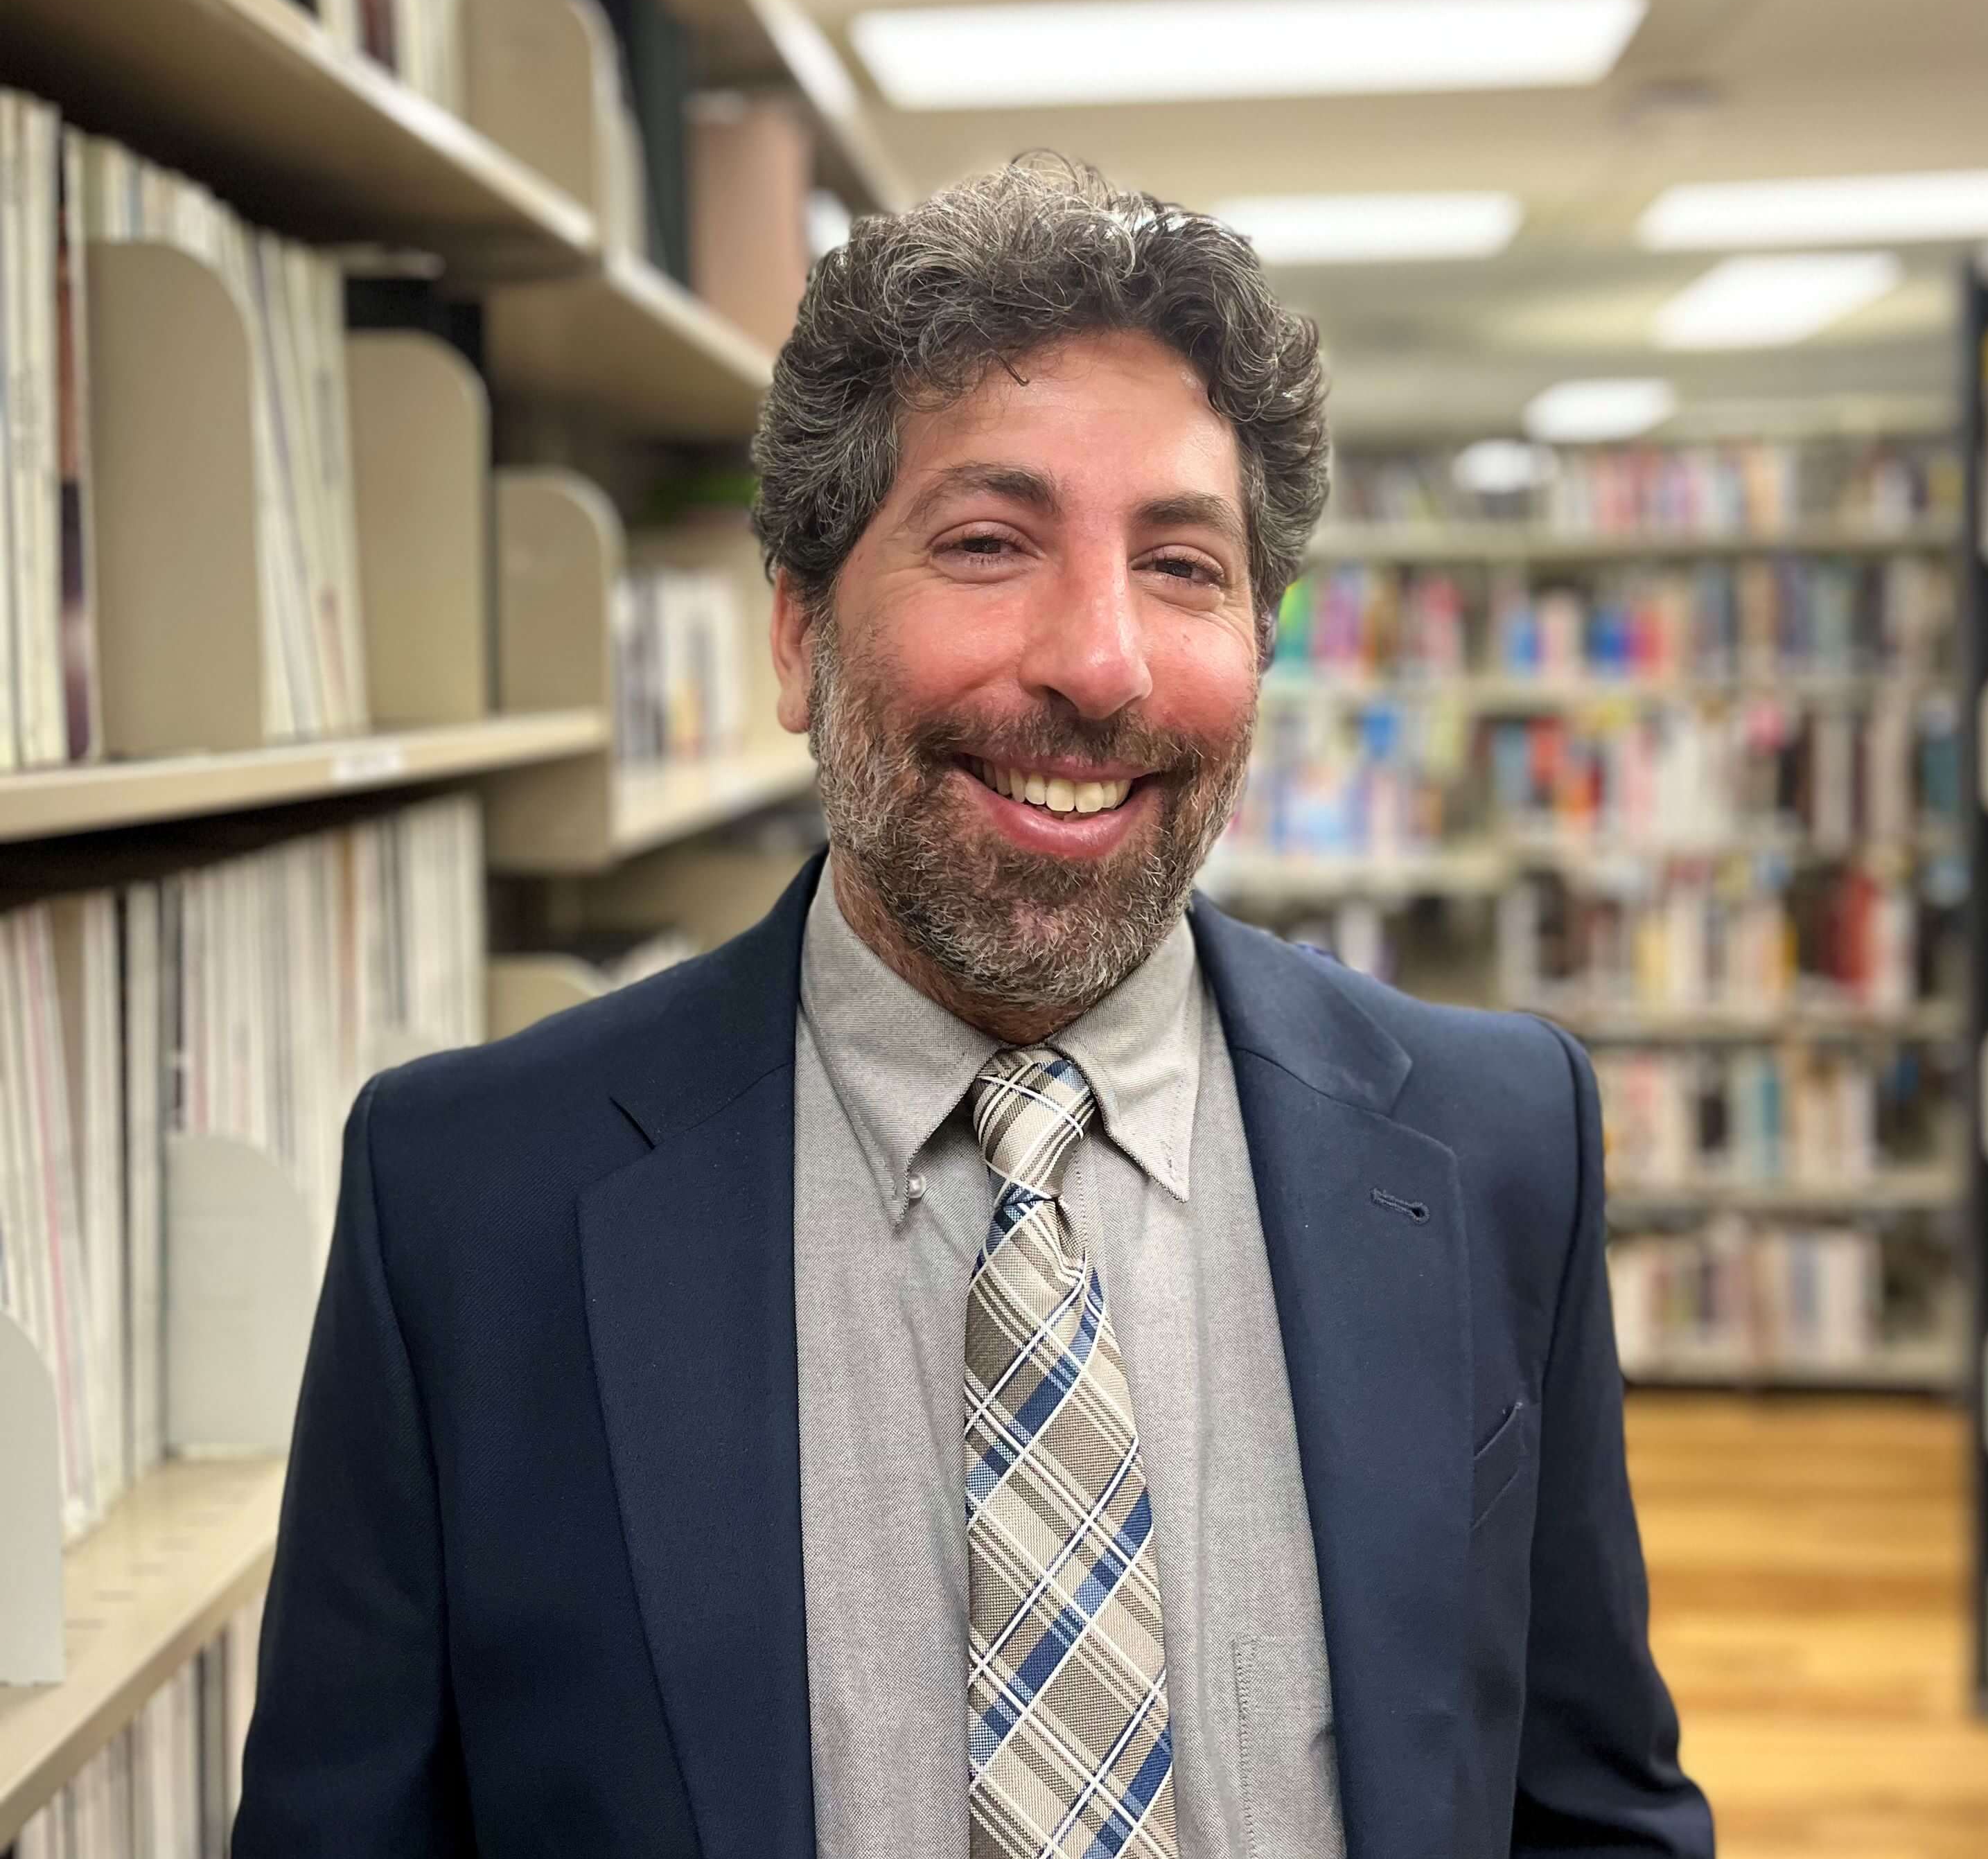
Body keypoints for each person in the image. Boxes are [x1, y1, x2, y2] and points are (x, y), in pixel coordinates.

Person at [233, 159, 1713, 1859]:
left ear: (1260, 640)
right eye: (989, 542)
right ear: (795, 635)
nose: (1102, 663)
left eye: (1181, 564)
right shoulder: (470, 1201)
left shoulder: (1492, 1138)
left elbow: (1591, 1806)